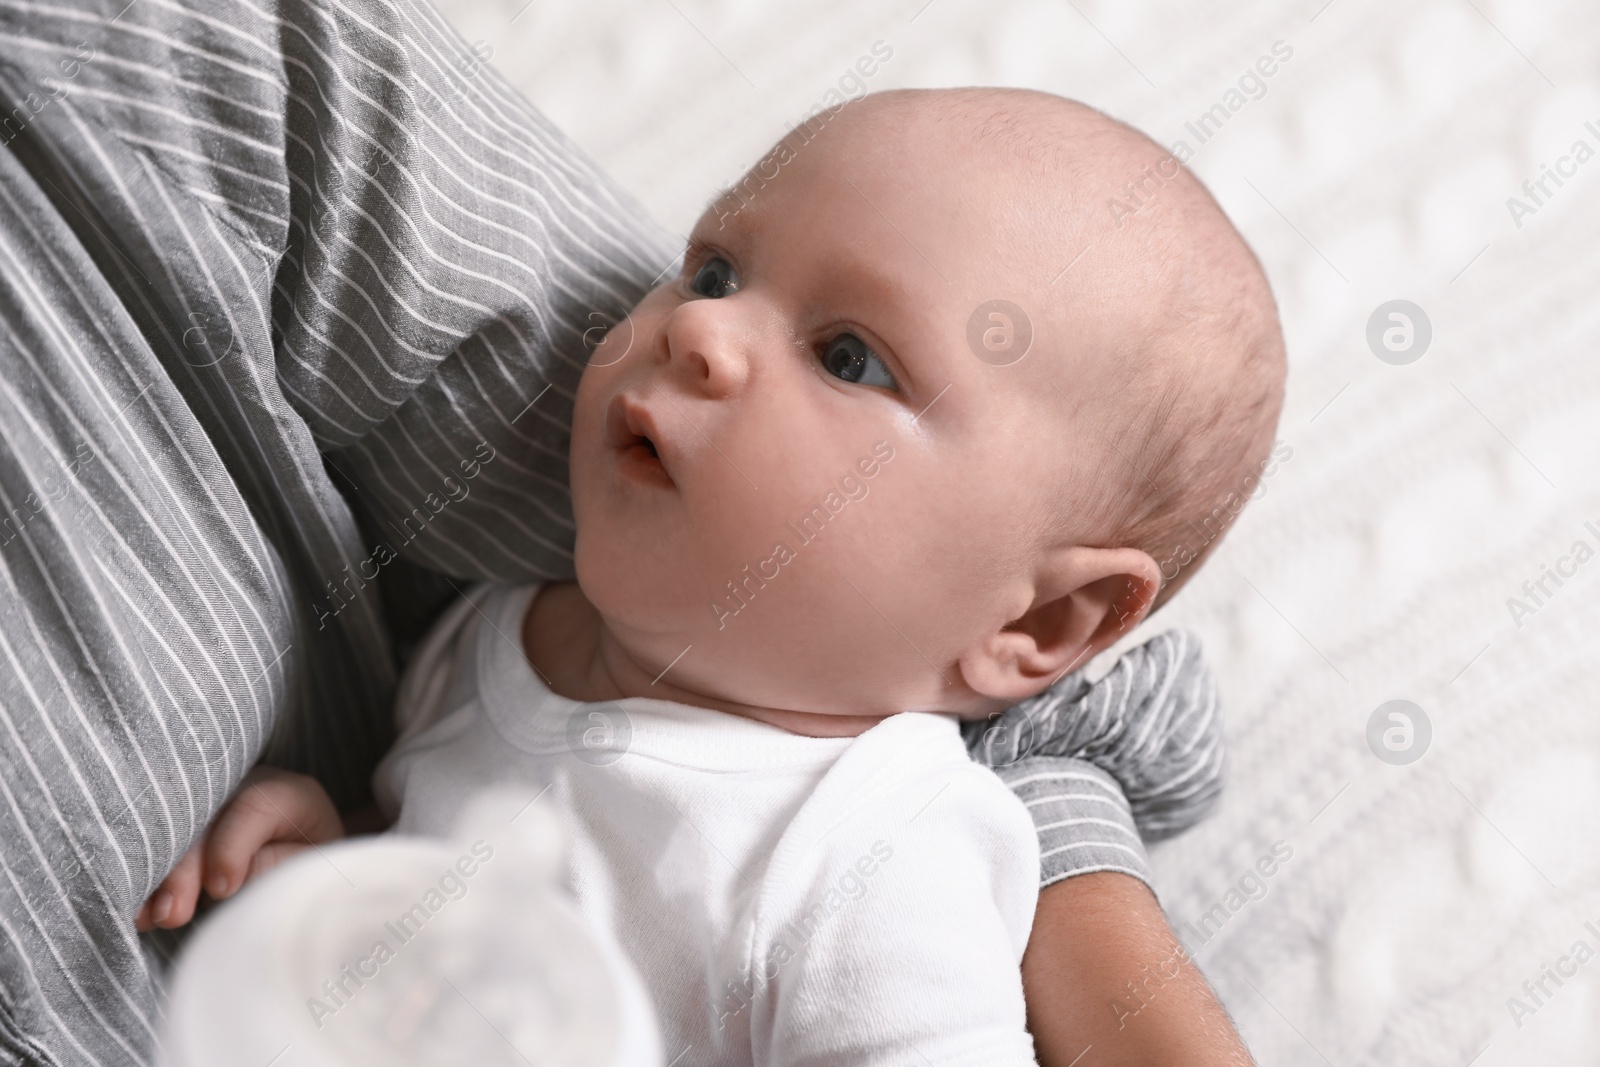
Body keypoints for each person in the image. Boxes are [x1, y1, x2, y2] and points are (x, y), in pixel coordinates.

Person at [141, 87, 1284, 1066]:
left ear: (1034, 619)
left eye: (849, 356)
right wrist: (332, 856)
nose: (704, 333)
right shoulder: (485, 641)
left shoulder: (871, 853)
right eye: (716, 268)